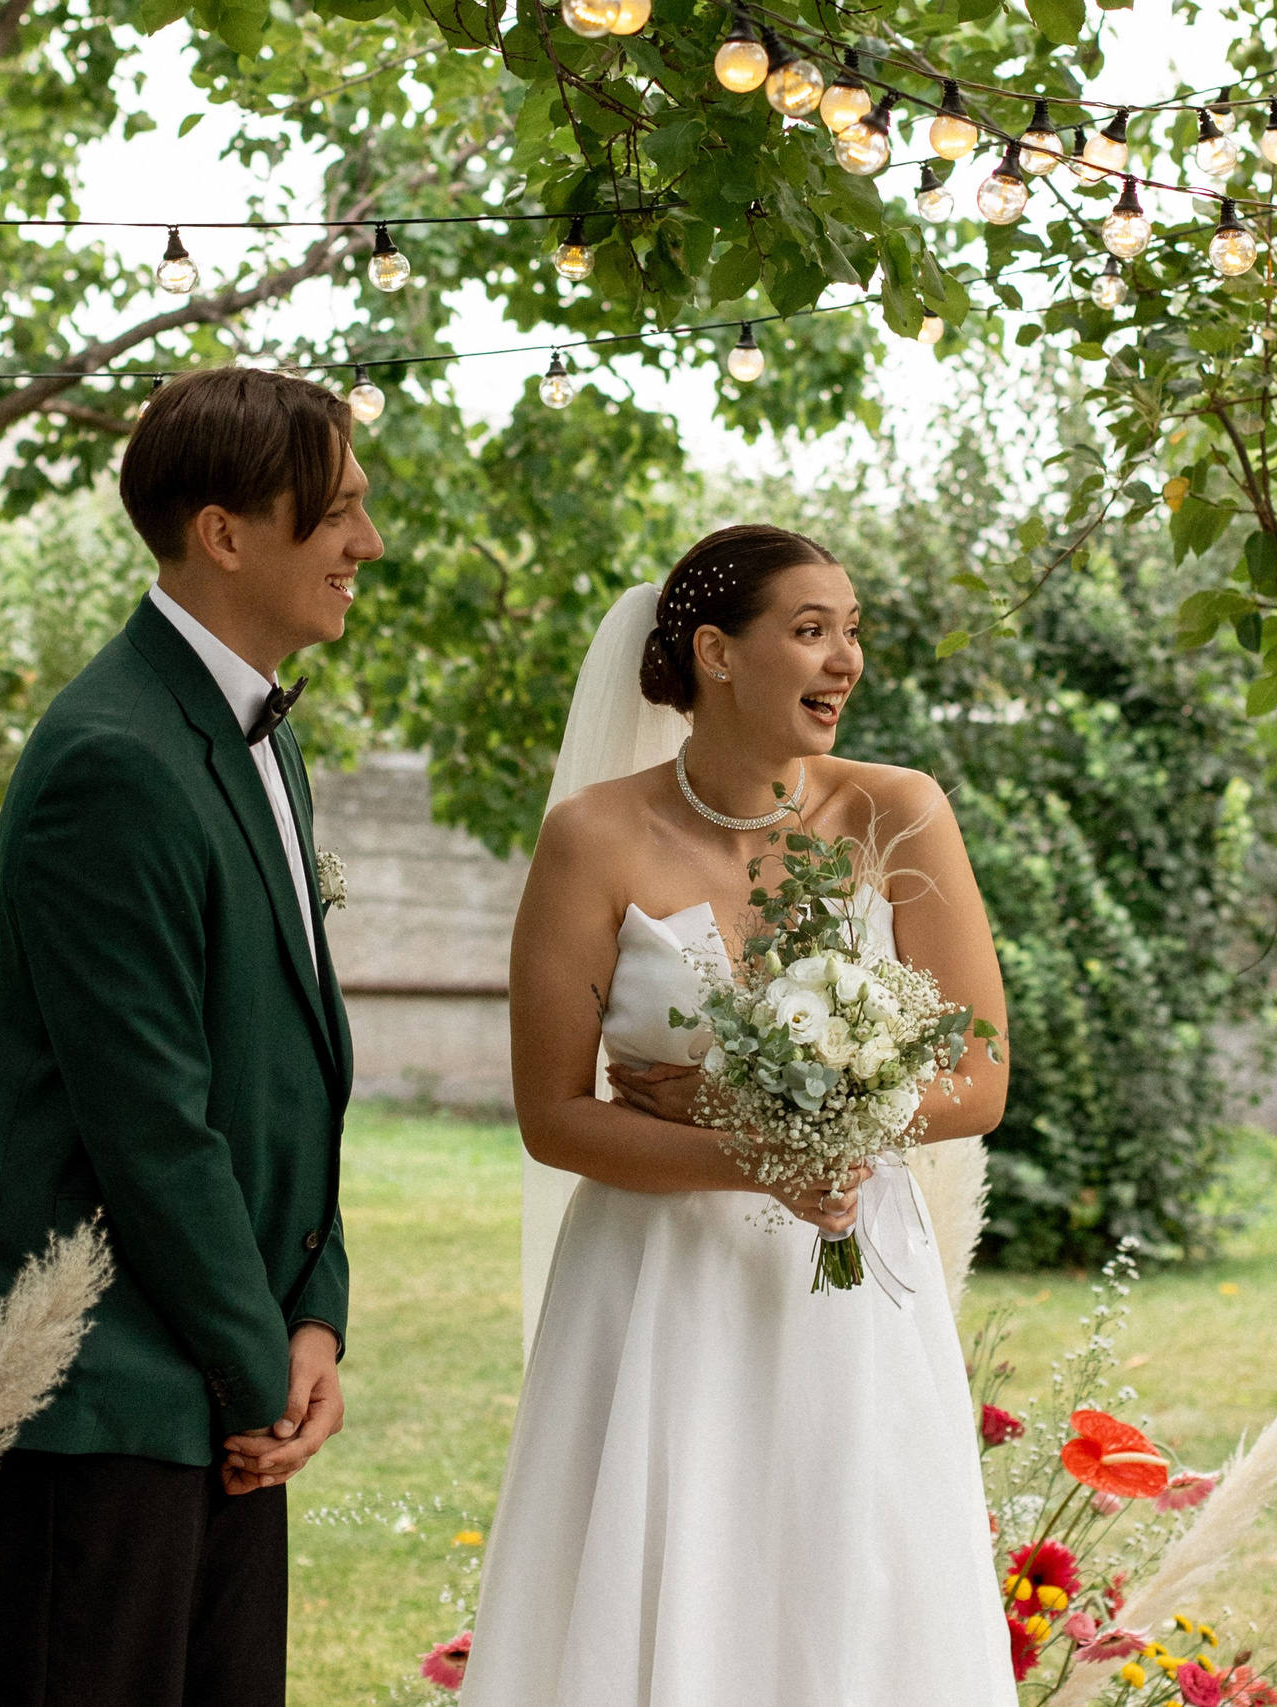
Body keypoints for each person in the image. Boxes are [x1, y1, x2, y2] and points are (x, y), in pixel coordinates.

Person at [461, 524, 1019, 1707]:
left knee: (848, 1582)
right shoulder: (593, 837)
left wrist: (754, 1107)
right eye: (810, 631)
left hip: (851, 1281)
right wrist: (757, 1161)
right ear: (716, 652)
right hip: (655, 1281)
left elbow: (977, 1079)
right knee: (662, 1583)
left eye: (851, 631)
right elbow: (553, 1117)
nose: (844, 661)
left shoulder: (898, 813)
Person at [0, 365, 381, 1707]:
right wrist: (257, 1373)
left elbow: (291, 1068)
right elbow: (149, 1119)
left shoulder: (257, 736)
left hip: (221, 1380)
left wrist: (315, 1318)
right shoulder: (112, 754)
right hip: (98, 1394)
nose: (367, 541)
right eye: (336, 510)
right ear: (226, 532)